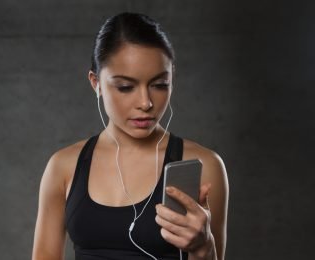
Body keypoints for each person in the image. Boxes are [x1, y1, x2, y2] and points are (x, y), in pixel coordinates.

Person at [32, 12, 229, 260]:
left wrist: (203, 249)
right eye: (125, 87)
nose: (146, 103)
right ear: (96, 83)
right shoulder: (64, 166)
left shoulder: (204, 165)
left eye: (160, 84)